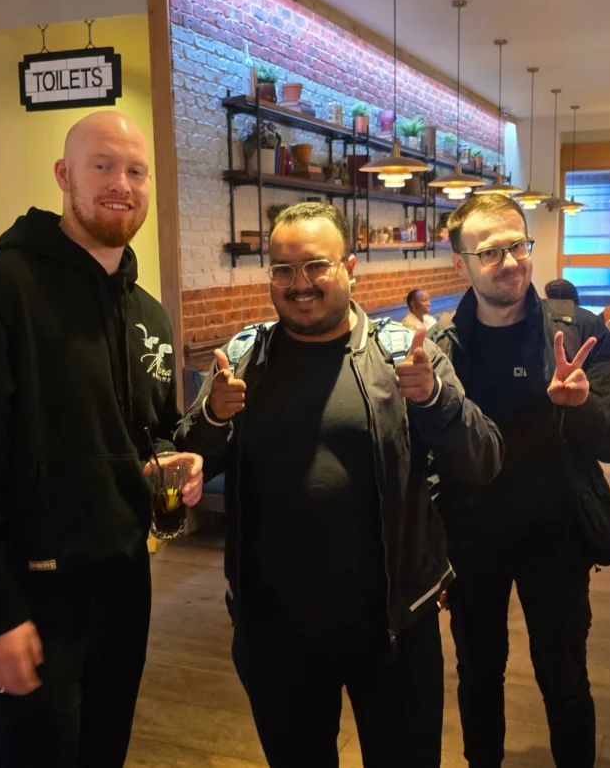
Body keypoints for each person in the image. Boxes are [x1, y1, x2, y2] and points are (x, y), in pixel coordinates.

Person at [0, 111, 203, 768]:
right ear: (63, 176)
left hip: (125, 584)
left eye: (135, 171)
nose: (121, 184)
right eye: (101, 165)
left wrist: (171, 460)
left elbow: (143, 434)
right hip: (30, 594)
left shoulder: (146, 312)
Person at [175, 202, 503, 768]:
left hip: (393, 625)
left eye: (316, 266)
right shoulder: (243, 358)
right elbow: (192, 460)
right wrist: (211, 419)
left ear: (350, 266)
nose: (299, 284)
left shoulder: (403, 352)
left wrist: (434, 399)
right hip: (277, 632)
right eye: (282, 269)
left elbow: (484, 458)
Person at [434, 193, 610, 768]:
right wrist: (431, 551)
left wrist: (580, 406)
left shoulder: (578, 331)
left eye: (518, 245)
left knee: (565, 676)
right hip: (473, 542)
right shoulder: (442, 348)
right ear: (462, 264)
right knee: (478, 675)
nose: (511, 261)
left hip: (559, 537)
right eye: (491, 251)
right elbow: (428, 455)